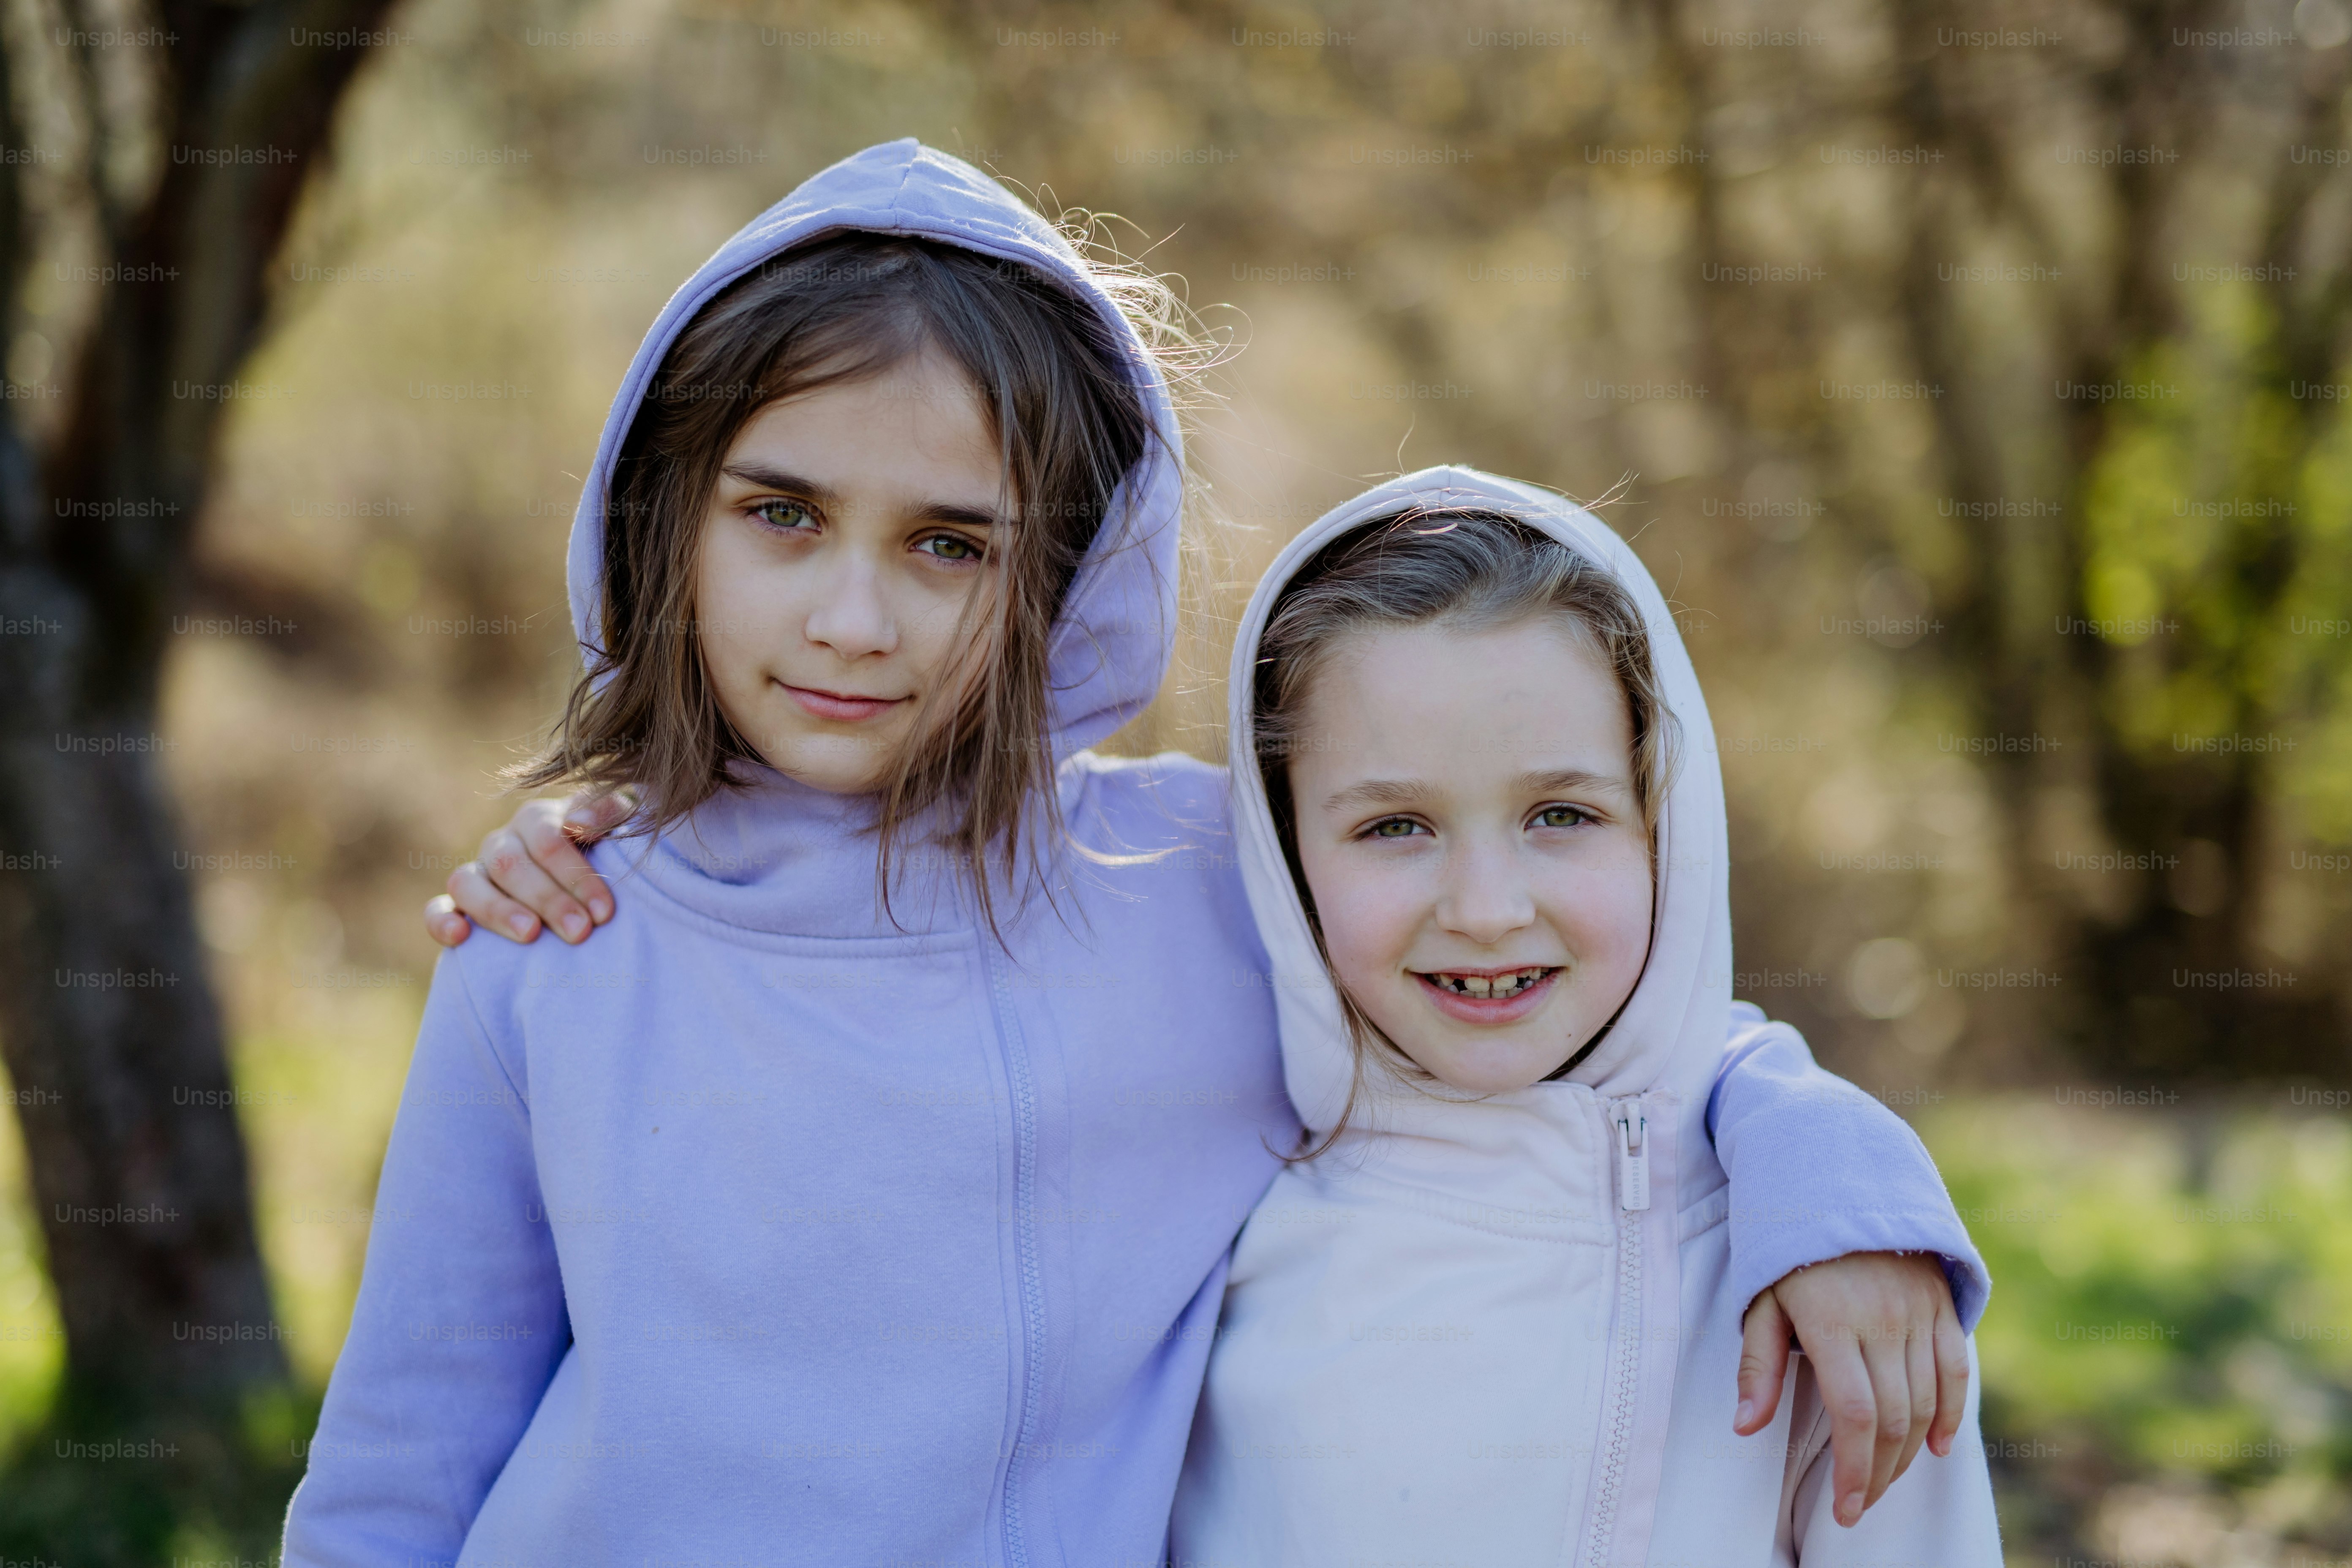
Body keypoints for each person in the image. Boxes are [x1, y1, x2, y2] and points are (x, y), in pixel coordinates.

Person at [287, 141, 1984, 1565]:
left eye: (950, 544)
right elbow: (404, 1459)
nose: (853, 615)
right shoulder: (556, 937)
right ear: (671, 511)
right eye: (782, 512)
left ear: (1067, 569)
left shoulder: (1197, 886)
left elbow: (1617, 1028)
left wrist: (1840, 1188)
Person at [1171, 471, 2001, 1563]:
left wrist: (1814, 1144)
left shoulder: (1816, 1262)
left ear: (1666, 824)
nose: (1486, 910)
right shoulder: (1210, 1202)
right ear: (1285, 856)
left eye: (1563, 814)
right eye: (1393, 826)